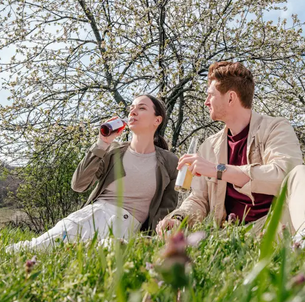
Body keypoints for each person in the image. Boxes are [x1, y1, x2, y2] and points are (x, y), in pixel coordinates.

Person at [156, 62, 305, 245]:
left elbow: (283, 173)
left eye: (210, 95)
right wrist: (179, 219)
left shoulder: (276, 127)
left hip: (277, 225)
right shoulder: (209, 146)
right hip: (231, 235)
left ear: (230, 98)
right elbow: (199, 198)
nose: (206, 102)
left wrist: (218, 170)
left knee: (301, 173)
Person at [7, 95, 178, 252]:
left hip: (126, 225)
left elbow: (167, 208)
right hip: (92, 215)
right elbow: (79, 184)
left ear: (157, 120)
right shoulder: (113, 152)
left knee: (99, 254)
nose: (133, 111)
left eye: (141, 108)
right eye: (131, 107)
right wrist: (102, 144)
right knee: (32, 249)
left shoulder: (169, 162)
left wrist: (156, 242)